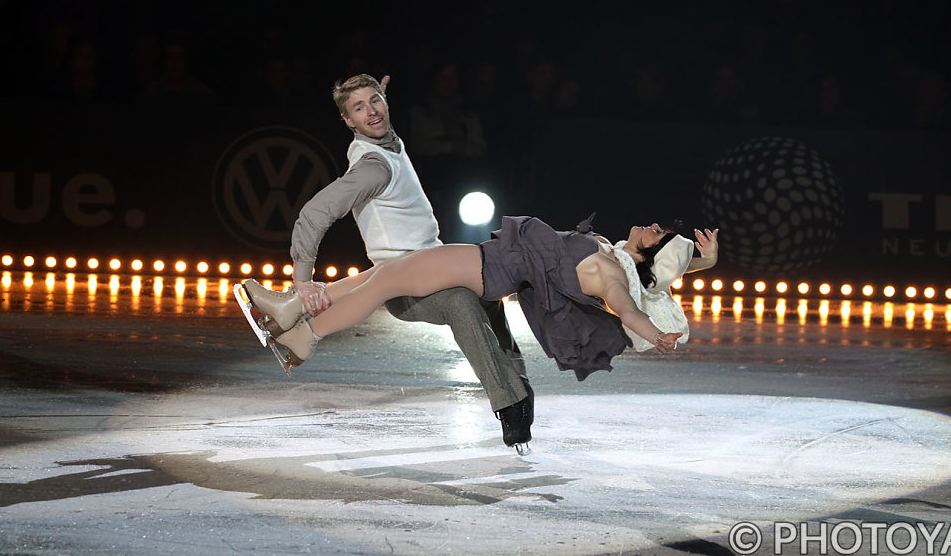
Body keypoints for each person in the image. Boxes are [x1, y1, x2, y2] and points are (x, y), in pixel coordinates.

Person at [282, 73, 534, 449]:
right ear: (347, 121)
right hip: (404, 285)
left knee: (489, 286)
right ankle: (510, 403)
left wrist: (376, 94)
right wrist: (303, 277)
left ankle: (519, 383)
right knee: (463, 302)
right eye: (358, 108)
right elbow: (315, 212)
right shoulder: (374, 166)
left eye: (376, 101)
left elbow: (380, 121)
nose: (371, 112)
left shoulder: (389, 144)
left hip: (433, 265)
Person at [243, 214, 719, 402]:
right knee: (380, 276)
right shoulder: (615, 256)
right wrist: (704, 261)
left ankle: (304, 333)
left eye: (659, 235)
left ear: (649, 253)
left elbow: (628, 309)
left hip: (488, 270)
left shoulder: (611, 273)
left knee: (384, 281)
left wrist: (655, 335)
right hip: (489, 264)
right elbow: (657, 279)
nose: (653, 225)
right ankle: (290, 310)